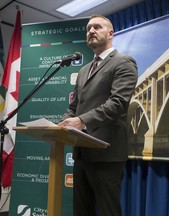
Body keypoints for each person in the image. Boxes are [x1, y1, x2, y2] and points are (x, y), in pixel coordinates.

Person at [58, 14, 138, 216]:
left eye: (97, 27)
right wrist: (63, 123)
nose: (91, 31)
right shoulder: (84, 70)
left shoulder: (123, 62)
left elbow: (118, 103)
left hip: (106, 154)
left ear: (111, 33)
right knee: (81, 211)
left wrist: (82, 120)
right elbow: (75, 105)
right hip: (82, 153)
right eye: (88, 28)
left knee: (108, 211)